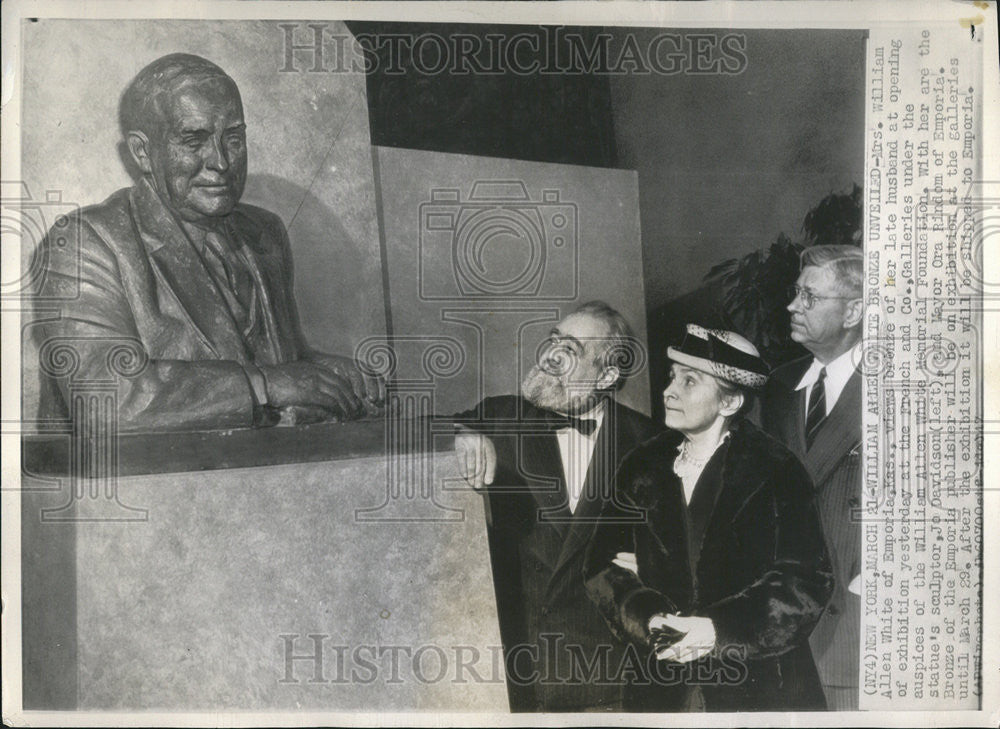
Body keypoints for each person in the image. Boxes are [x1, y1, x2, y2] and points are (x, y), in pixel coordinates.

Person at [32, 53, 382, 431]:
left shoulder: (265, 234)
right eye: (193, 140)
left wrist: (322, 371)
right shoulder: (84, 244)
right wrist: (267, 386)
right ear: (142, 153)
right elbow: (104, 398)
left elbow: (275, 362)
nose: (220, 162)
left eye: (233, 138)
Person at [584, 324, 833, 711]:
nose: (669, 391)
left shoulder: (776, 469)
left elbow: (805, 582)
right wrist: (648, 618)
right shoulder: (641, 465)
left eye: (690, 381)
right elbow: (601, 566)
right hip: (661, 682)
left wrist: (717, 630)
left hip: (757, 685)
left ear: (729, 403)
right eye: (672, 378)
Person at [453, 301, 662, 712]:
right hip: (521, 675)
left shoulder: (651, 444)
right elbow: (416, 431)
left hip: (612, 681)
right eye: (553, 341)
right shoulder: (499, 417)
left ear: (607, 374)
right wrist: (461, 432)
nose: (550, 356)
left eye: (571, 350)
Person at [760, 244, 864, 710]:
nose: (791, 306)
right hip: (784, 626)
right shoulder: (778, 386)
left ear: (854, 311)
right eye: (795, 293)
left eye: (809, 297)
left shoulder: (898, 384)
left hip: (857, 624)